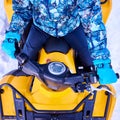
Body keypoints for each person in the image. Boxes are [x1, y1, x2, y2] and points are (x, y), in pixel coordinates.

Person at [1, 0, 117, 84]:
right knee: (24, 65)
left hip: (72, 28)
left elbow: (92, 21)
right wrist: (12, 34)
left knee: (91, 67)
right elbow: (22, 11)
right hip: (41, 28)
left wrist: (102, 62)